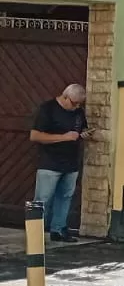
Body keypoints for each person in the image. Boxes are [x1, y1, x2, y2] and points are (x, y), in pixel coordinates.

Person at [29, 83, 89, 242]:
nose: (77, 106)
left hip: (71, 162)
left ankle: (59, 230)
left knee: (65, 197)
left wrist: (84, 134)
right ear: (65, 97)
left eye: (79, 104)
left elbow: (80, 129)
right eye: (74, 103)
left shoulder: (78, 113)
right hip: (50, 163)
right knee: (43, 199)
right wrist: (64, 137)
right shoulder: (47, 109)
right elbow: (35, 136)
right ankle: (35, 234)